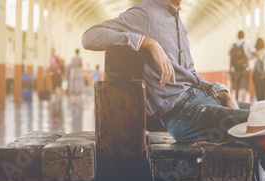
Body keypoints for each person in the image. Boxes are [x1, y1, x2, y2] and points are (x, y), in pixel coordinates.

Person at [82, 0, 250, 143]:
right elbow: (89, 37)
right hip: (184, 114)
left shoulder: (179, 22)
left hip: (203, 101)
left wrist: (220, 91)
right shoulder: (145, 12)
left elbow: (189, 72)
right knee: (259, 122)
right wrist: (147, 42)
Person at [229, 31, 255, 102]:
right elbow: (254, 52)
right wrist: (250, 58)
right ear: (243, 36)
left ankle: (236, 102)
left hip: (235, 69)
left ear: (237, 36)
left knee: (236, 87)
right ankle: (243, 102)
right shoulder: (246, 44)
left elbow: (230, 58)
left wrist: (230, 69)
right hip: (244, 69)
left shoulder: (232, 45)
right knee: (243, 86)